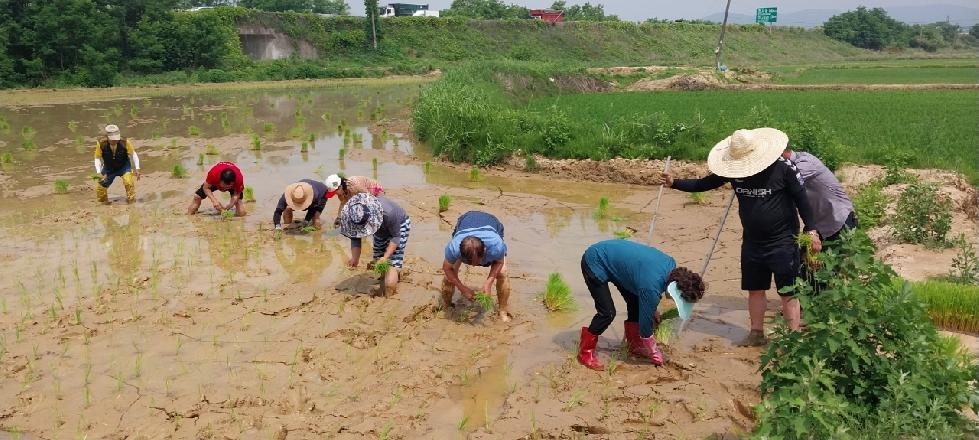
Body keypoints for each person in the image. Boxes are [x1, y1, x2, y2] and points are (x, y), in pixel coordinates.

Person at [658, 127, 820, 346]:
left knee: (787, 291)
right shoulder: (735, 171)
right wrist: (674, 183)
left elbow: (803, 199)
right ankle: (756, 333)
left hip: (783, 241)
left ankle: (792, 339)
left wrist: (811, 230)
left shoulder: (784, 169)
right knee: (754, 289)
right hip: (753, 242)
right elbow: (704, 184)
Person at [577, 239, 706, 371]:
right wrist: (654, 353)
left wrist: (651, 308)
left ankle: (634, 345)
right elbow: (645, 330)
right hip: (595, 261)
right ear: (673, 287)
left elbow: (646, 289)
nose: (673, 301)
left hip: (616, 261)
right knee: (607, 313)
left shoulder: (670, 265)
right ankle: (585, 352)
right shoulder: (651, 287)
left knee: (635, 304)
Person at [441, 211, 511, 322]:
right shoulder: (454, 247)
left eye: (477, 261)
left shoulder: (496, 245)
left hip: (492, 223)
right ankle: (447, 307)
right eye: (469, 262)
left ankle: (503, 312)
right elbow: (446, 267)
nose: (473, 266)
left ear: (485, 251)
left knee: (502, 273)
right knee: (448, 277)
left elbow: (499, 262)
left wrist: (489, 282)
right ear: (460, 252)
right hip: (465, 221)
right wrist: (461, 288)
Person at [782, 147, 857, 251]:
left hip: (837, 221)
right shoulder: (793, 162)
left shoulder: (804, 163)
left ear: (781, 152)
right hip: (818, 223)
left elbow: (780, 184)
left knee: (831, 264)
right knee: (804, 263)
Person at [338, 193, 411, 297]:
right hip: (380, 229)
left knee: (393, 262)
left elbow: (396, 237)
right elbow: (355, 236)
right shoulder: (353, 213)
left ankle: (389, 297)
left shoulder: (388, 212)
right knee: (378, 257)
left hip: (399, 225)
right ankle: (384, 279)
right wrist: (355, 258)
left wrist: (386, 257)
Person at [94, 124, 141, 204]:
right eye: (112, 139)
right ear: (107, 137)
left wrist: (137, 168)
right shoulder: (101, 144)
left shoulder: (125, 142)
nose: (115, 141)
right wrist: (99, 172)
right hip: (108, 168)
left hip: (124, 166)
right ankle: (103, 204)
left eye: (116, 139)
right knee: (100, 187)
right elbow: (97, 158)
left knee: (129, 182)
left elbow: (133, 154)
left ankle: (132, 202)